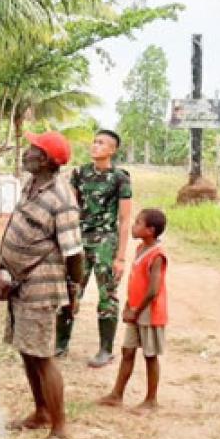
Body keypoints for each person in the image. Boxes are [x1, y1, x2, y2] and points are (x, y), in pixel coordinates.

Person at [0, 131, 84, 439]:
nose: (26, 152)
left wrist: (73, 290)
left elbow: (74, 253)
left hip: (41, 285)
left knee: (43, 355)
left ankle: (59, 427)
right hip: (19, 283)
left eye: (33, 149)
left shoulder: (61, 198)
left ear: (47, 160)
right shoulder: (33, 186)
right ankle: (41, 412)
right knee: (27, 349)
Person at [59, 129, 132, 366]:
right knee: (71, 290)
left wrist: (120, 257)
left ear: (112, 150)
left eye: (101, 143)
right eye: (94, 141)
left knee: (107, 296)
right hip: (80, 240)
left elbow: (124, 219)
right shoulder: (79, 173)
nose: (95, 146)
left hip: (105, 241)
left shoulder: (120, 178)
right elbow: (70, 207)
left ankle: (105, 350)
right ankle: (60, 344)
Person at [98, 209, 167, 411]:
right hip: (136, 309)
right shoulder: (140, 249)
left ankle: (151, 400)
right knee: (127, 351)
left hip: (149, 312)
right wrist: (129, 305)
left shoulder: (158, 255)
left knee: (150, 355)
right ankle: (116, 394)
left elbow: (154, 289)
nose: (133, 227)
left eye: (138, 223)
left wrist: (136, 311)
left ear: (150, 230)